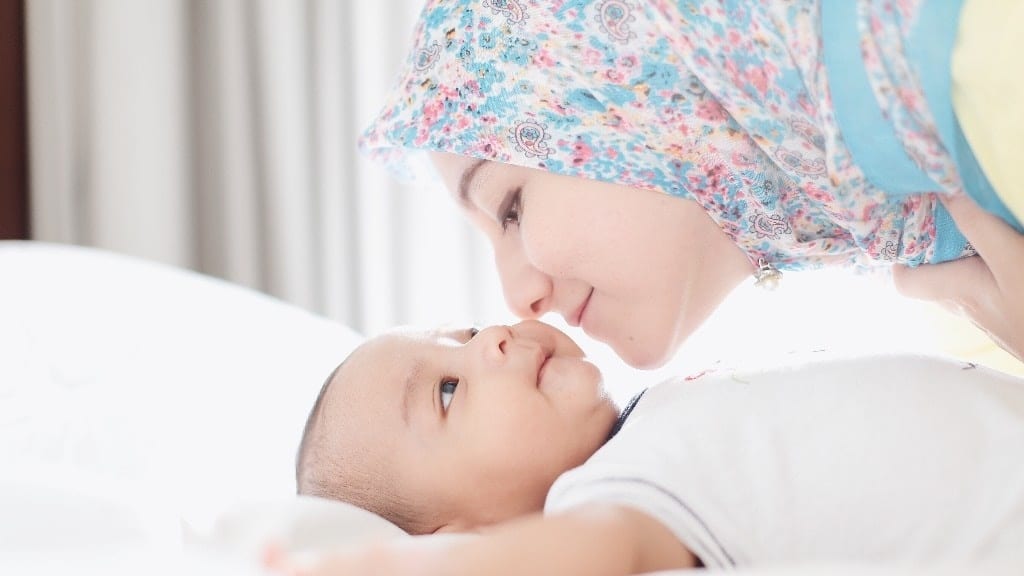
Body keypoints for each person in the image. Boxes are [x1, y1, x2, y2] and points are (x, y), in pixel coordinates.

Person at [360, 0, 1024, 370]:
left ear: (633, 78)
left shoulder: (986, 52)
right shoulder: (960, 299)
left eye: (509, 208)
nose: (518, 298)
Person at [287, 319, 1024, 574]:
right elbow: (605, 551)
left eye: (466, 332)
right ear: (468, 537)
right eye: (448, 390)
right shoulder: (607, 494)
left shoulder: (650, 420)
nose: (492, 339)